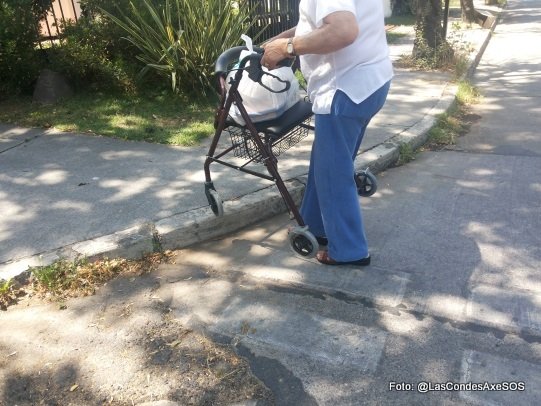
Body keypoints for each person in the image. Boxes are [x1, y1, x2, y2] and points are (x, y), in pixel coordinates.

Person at [261, 0, 393, 266]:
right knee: (327, 162)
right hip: (371, 82)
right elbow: (319, 23)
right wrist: (279, 41)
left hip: (343, 89)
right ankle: (314, 224)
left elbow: (342, 31)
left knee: (334, 173)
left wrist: (288, 47)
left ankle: (349, 250)